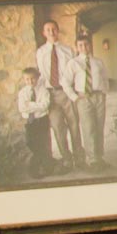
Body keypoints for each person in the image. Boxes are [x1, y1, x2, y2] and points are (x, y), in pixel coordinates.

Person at [33, 19, 82, 169]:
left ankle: (79, 159)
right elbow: (41, 74)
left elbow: (74, 72)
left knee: (74, 126)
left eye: (54, 29)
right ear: (44, 33)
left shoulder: (68, 50)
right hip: (51, 95)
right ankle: (66, 159)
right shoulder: (40, 52)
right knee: (57, 127)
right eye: (48, 30)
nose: (51, 32)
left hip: (66, 92)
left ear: (58, 30)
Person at [65, 35, 111, 167]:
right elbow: (65, 82)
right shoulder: (73, 63)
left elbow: (105, 77)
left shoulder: (98, 62)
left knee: (99, 126)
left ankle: (100, 156)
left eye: (86, 44)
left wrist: (104, 92)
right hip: (83, 98)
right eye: (80, 45)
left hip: (98, 97)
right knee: (88, 127)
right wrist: (75, 97)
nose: (84, 47)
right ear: (76, 47)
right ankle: (93, 159)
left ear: (90, 45)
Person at [13, 67, 52, 179]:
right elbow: (22, 108)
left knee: (43, 144)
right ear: (24, 80)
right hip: (30, 122)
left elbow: (45, 105)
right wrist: (36, 105)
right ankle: (39, 167)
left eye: (32, 79)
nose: (30, 81)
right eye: (27, 79)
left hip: (42, 121)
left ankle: (43, 169)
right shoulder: (22, 92)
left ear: (37, 78)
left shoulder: (43, 90)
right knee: (33, 145)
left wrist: (29, 104)